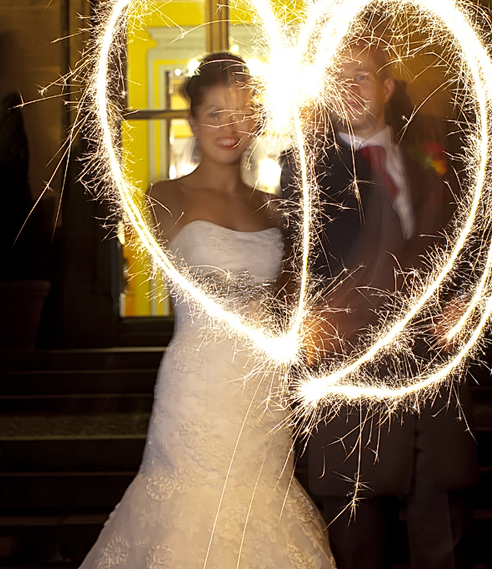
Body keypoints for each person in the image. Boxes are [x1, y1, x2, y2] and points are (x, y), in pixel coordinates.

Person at [79, 52, 335, 569]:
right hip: (197, 387)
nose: (229, 126)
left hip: (263, 392)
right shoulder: (164, 196)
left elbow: (289, 297)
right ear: (192, 121)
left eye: (241, 111)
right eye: (214, 113)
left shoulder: (275, 206)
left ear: (257, 119)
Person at [281, 35, 478, 569]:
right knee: (358, 544)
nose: (347, 87)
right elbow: (299, 262)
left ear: (387, 87)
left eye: (361, 75)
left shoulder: (431, 159)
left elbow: (466, 243)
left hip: (430, 373)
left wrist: (464, 300)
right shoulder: (309, 167)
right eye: (337, 76)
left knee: (444, 540)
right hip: (353, 376)